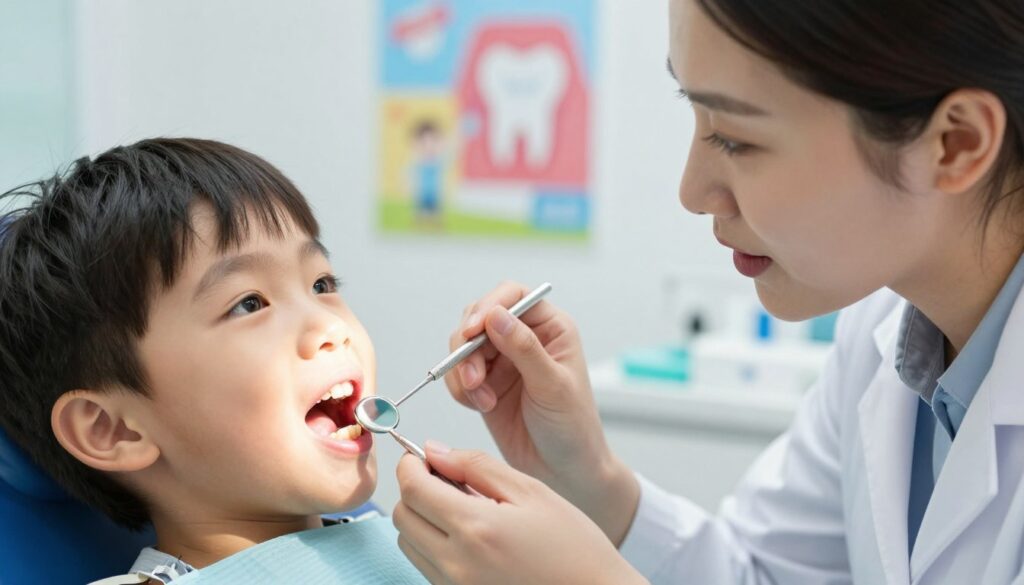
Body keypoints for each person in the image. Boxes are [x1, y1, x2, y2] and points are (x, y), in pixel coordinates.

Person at [392, 0, 1024, 583]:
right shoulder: (888, 344)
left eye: (736, 139)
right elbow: (762, 576)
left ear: (956, 143)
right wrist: (591, 482)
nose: (692, 192)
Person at [0, 138, 425, 583]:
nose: (330, 328)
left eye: (321, 284)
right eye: (249, 304)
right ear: (114, 429)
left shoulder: (421, 551)